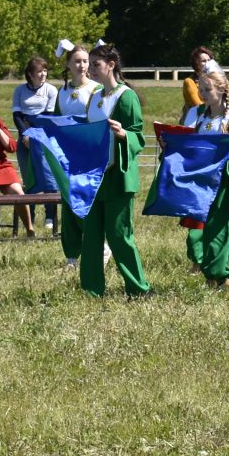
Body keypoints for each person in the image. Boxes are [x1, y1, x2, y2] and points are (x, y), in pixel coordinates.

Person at [78, 42, 149, 297]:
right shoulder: (94, 97)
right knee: (92, 237)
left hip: (118, 176)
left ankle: (139, 289)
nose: (90, 70)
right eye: (90, 64)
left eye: (95, 65)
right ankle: (92, 290)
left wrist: (123, 135)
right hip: (94, 176)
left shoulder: (126, 96)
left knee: (119, 236)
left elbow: (138, 136)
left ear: (111, 65)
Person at [184, 70, 229, 287]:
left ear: (222, 90)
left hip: (223, 182)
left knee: (217, 230)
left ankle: (221, 276)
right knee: (207, 229)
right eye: (201, 89)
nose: (203, 94)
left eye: (207, 89)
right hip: (203, 181)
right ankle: (214, 276)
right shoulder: (202, 117)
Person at [49, 43, 99, 267]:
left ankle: (98, 245)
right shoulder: (62, 93)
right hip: (68, 156)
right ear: (68, 64)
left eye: (85, 61)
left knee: (88, 200)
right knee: (68, 202)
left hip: (90, 153)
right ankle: (72, 254)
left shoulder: (97, 90)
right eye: (77, 61)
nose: (82, 65)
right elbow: (57, 124)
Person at [10, 55, 57, 237]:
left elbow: (47, 117)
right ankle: (30, 218)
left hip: (43, 136)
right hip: (25, 137)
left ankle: (50, 217)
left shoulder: (51, 90)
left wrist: (34, 136)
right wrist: (26, 135)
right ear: (30, 74)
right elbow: (17, 116)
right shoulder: (20, 91)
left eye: (45, 70)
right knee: (29, 177)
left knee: (48, 176)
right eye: (39, 71)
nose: (43, 74)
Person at [181, 45, 220, 116]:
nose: (208, 63)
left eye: (209, 60)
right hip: (195, 121)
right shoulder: (189, 82)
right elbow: (198, 105)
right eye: (203, 61)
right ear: (196, 64)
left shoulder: (214, 80)